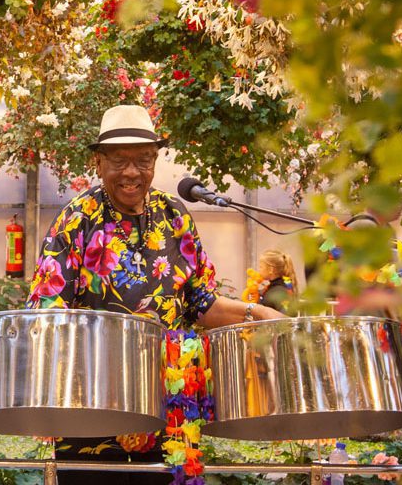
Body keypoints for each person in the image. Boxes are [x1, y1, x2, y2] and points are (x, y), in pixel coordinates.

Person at [26, 105, 286, 485]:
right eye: (119, 160)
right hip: (92, 413)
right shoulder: (77, 219)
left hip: (167, 408)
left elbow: (203, 302)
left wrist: (258, 313)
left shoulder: (174, 215)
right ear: (98, 163)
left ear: (155, 160)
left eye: (143, 160)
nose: (133, 172)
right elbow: (46, 314)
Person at [256, 249, 297, 313]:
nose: (259, 270)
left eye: (261, 267)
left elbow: (287, 314)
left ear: (271, 269)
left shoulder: (279, 291)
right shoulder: (272, 288)